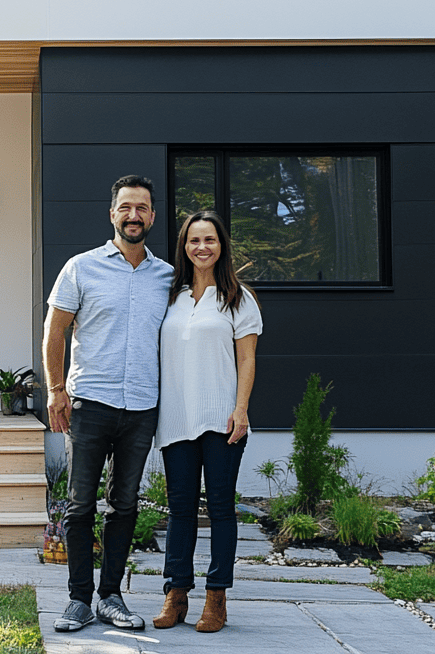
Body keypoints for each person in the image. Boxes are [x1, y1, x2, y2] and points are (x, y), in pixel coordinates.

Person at [43, 174, 174, 633]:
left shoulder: (167, 277)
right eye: (126, 207)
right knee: (80, 505)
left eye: (142, 208)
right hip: (90, 405)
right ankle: (79, 599)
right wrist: (56, 390)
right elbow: (55, 330)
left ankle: (111, 598)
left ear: (152, 216)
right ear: (112, 213)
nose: (133, 216)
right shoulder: (81, 268)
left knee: (125, 505)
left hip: (141, 408)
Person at [151, 209, 261, 633]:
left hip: (222, 418)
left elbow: (247, 359)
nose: (201, 247)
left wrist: (241, 409)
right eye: (194, 240)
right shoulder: (171, 297)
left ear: (221, 246)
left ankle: (216, 598)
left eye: (209, 240)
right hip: (176, 418)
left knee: (220, 508)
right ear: (184, 247)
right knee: (179, 509)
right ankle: (176, 594)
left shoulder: (238, 298)